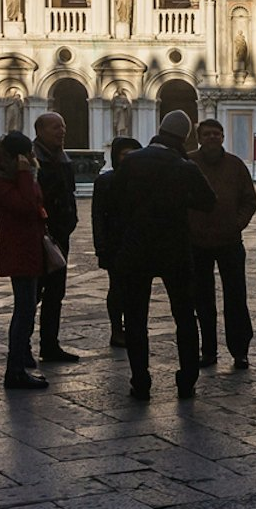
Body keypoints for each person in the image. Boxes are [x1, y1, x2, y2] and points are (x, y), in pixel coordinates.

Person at [111, 111, 216, 400]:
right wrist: (182, 199)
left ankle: (141, 381)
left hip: (136, 249)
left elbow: (114, 202)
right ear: (184, 138)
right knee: (184, 316)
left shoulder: (131, 162)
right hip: (175, 249)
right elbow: (209, 202)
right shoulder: (183, 166)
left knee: (135, 318)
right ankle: (187, 380)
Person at [189, 118, 256, 370]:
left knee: (236, 297)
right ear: (199, 137)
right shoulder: (189, 163)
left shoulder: (235, 165)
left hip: (230, 241)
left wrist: (237, 224)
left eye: (217, 134)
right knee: (202, 299)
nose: (212, 138)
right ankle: (208, 350)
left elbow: (249, 200)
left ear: (223, 137)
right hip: (197, 243)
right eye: (207, 134)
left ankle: (240, 350)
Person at [0, 131, 48, 391]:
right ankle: (14, 371)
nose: (32, 159)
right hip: (18, 251)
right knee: (23, 311)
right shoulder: (1, 182)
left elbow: (36, 202)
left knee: (27, 309)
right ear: (16, 157)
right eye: (27, 155)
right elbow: (26, 206)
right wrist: (25, 175)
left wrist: (27, 176)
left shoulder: (18, 178)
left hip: (30, 249)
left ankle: (21, 358)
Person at [32, 112, 79, 364]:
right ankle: (22, 348)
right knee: (33, 294)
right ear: (39, 130)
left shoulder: (62, 157)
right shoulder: (33, 159)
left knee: (55, 293)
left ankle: (50, 344)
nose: (61, 131)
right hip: (40, 237)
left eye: (62, 126)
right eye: (54, 127)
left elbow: (68, 194)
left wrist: (71, 222)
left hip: (60, 236)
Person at [92, 135, 141, 348]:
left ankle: (134, 326)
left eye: (133, 154)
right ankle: (116, 328)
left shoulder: (143, 180)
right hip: (114, 242)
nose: (129, 158)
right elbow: (97, 215)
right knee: (117, 287)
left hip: (138, 242)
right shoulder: (105, 181)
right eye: (124, 154)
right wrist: (100, 244)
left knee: (137, 288)